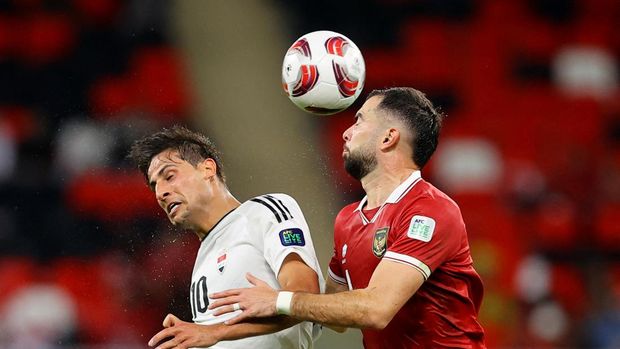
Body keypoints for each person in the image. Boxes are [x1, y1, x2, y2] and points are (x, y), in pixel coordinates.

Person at [208, 87, 487, 348]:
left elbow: (376, 309)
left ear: (388, 138)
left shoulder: (430, 209)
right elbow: (327, 308)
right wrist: (215, 331)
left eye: (359, 121)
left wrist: (280, 300)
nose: (346, 132)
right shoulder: (348, 219)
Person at [127, 125, 325, 349]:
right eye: (155, 185)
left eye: (169, 176)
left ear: (207, 169)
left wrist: (215, 332)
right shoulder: (201, 263)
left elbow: (305, 295)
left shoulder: (264, 211)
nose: (160, 193)